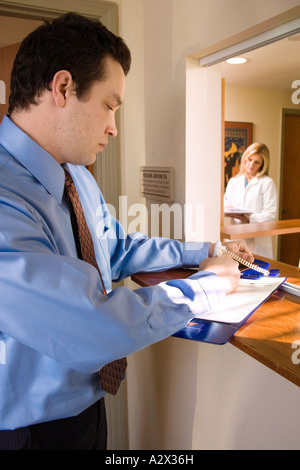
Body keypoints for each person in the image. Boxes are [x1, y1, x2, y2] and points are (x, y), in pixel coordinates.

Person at [0, 13, 253, 450]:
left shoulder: (76, 176)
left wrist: (206, 249)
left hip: (90, 412)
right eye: (110, 105)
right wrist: (210, 286)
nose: (114, 127)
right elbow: (91, 323)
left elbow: (114, 247)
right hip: (27, 436)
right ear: (63, 88)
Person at [224, 142, 277, 259]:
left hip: (257, 239)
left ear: (263, 164)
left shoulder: (267, 183)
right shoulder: (234, 181)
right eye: (250, 159)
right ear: (244, 159)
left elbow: (270, 214)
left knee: (257, 269)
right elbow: (225, 204)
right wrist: (228, 211)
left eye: (257, 162)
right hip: (236, 235)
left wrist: (250, 219)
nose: (251, 165)